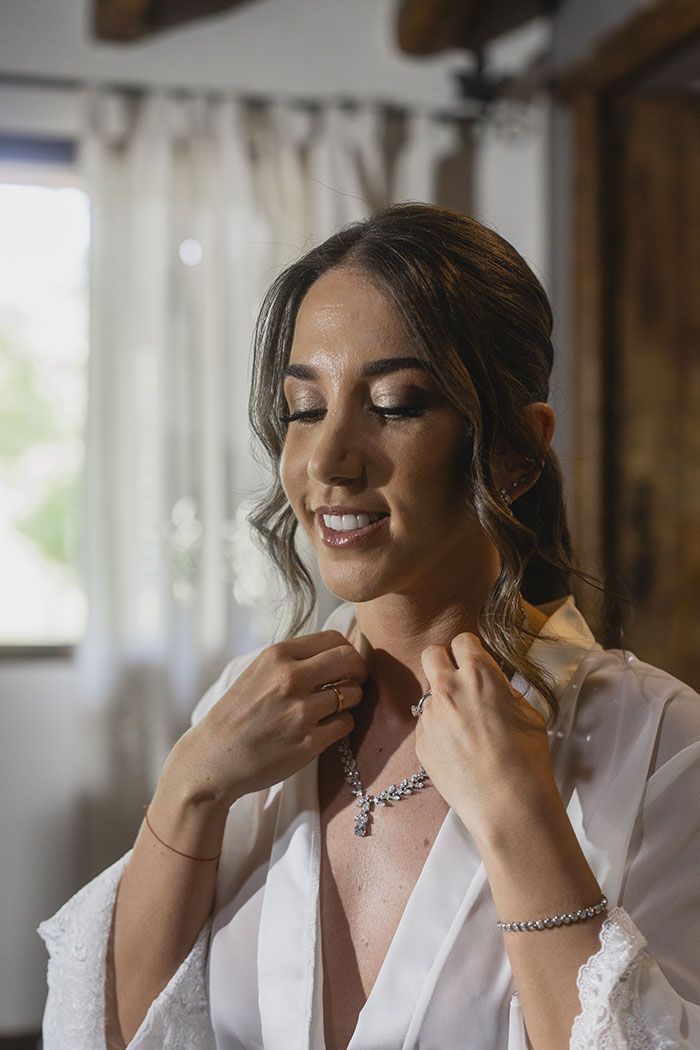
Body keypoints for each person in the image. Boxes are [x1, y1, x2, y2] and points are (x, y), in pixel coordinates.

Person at [38, 203, 699, 1050]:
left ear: (516, 452)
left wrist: (518, 816)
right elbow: (117, 1035)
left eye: (394, 404)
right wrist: (192, 786)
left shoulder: (658, 745)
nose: (327, 460)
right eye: (305, 408)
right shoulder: (243, 721)